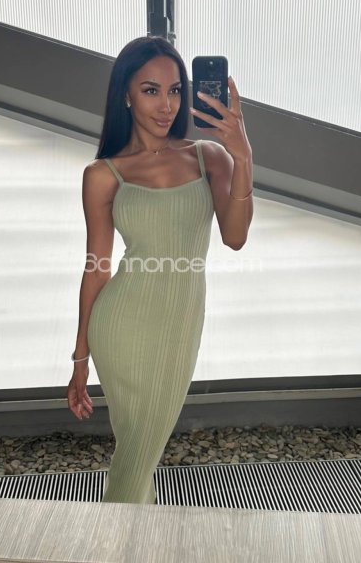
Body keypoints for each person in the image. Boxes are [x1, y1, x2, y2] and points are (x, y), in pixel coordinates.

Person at [67, 35, 253, 504]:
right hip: (122, 328)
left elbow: (235, 237)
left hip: (179, 327)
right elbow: (97, 268)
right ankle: (121, 537)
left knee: (139, 452)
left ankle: (132, 535)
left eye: (174, 90)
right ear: (126, 95)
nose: (166, 105)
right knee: (137, 454)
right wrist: (80, 359)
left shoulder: (209, 157)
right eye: (151, 90)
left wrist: (243, 156)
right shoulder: (104, 174)